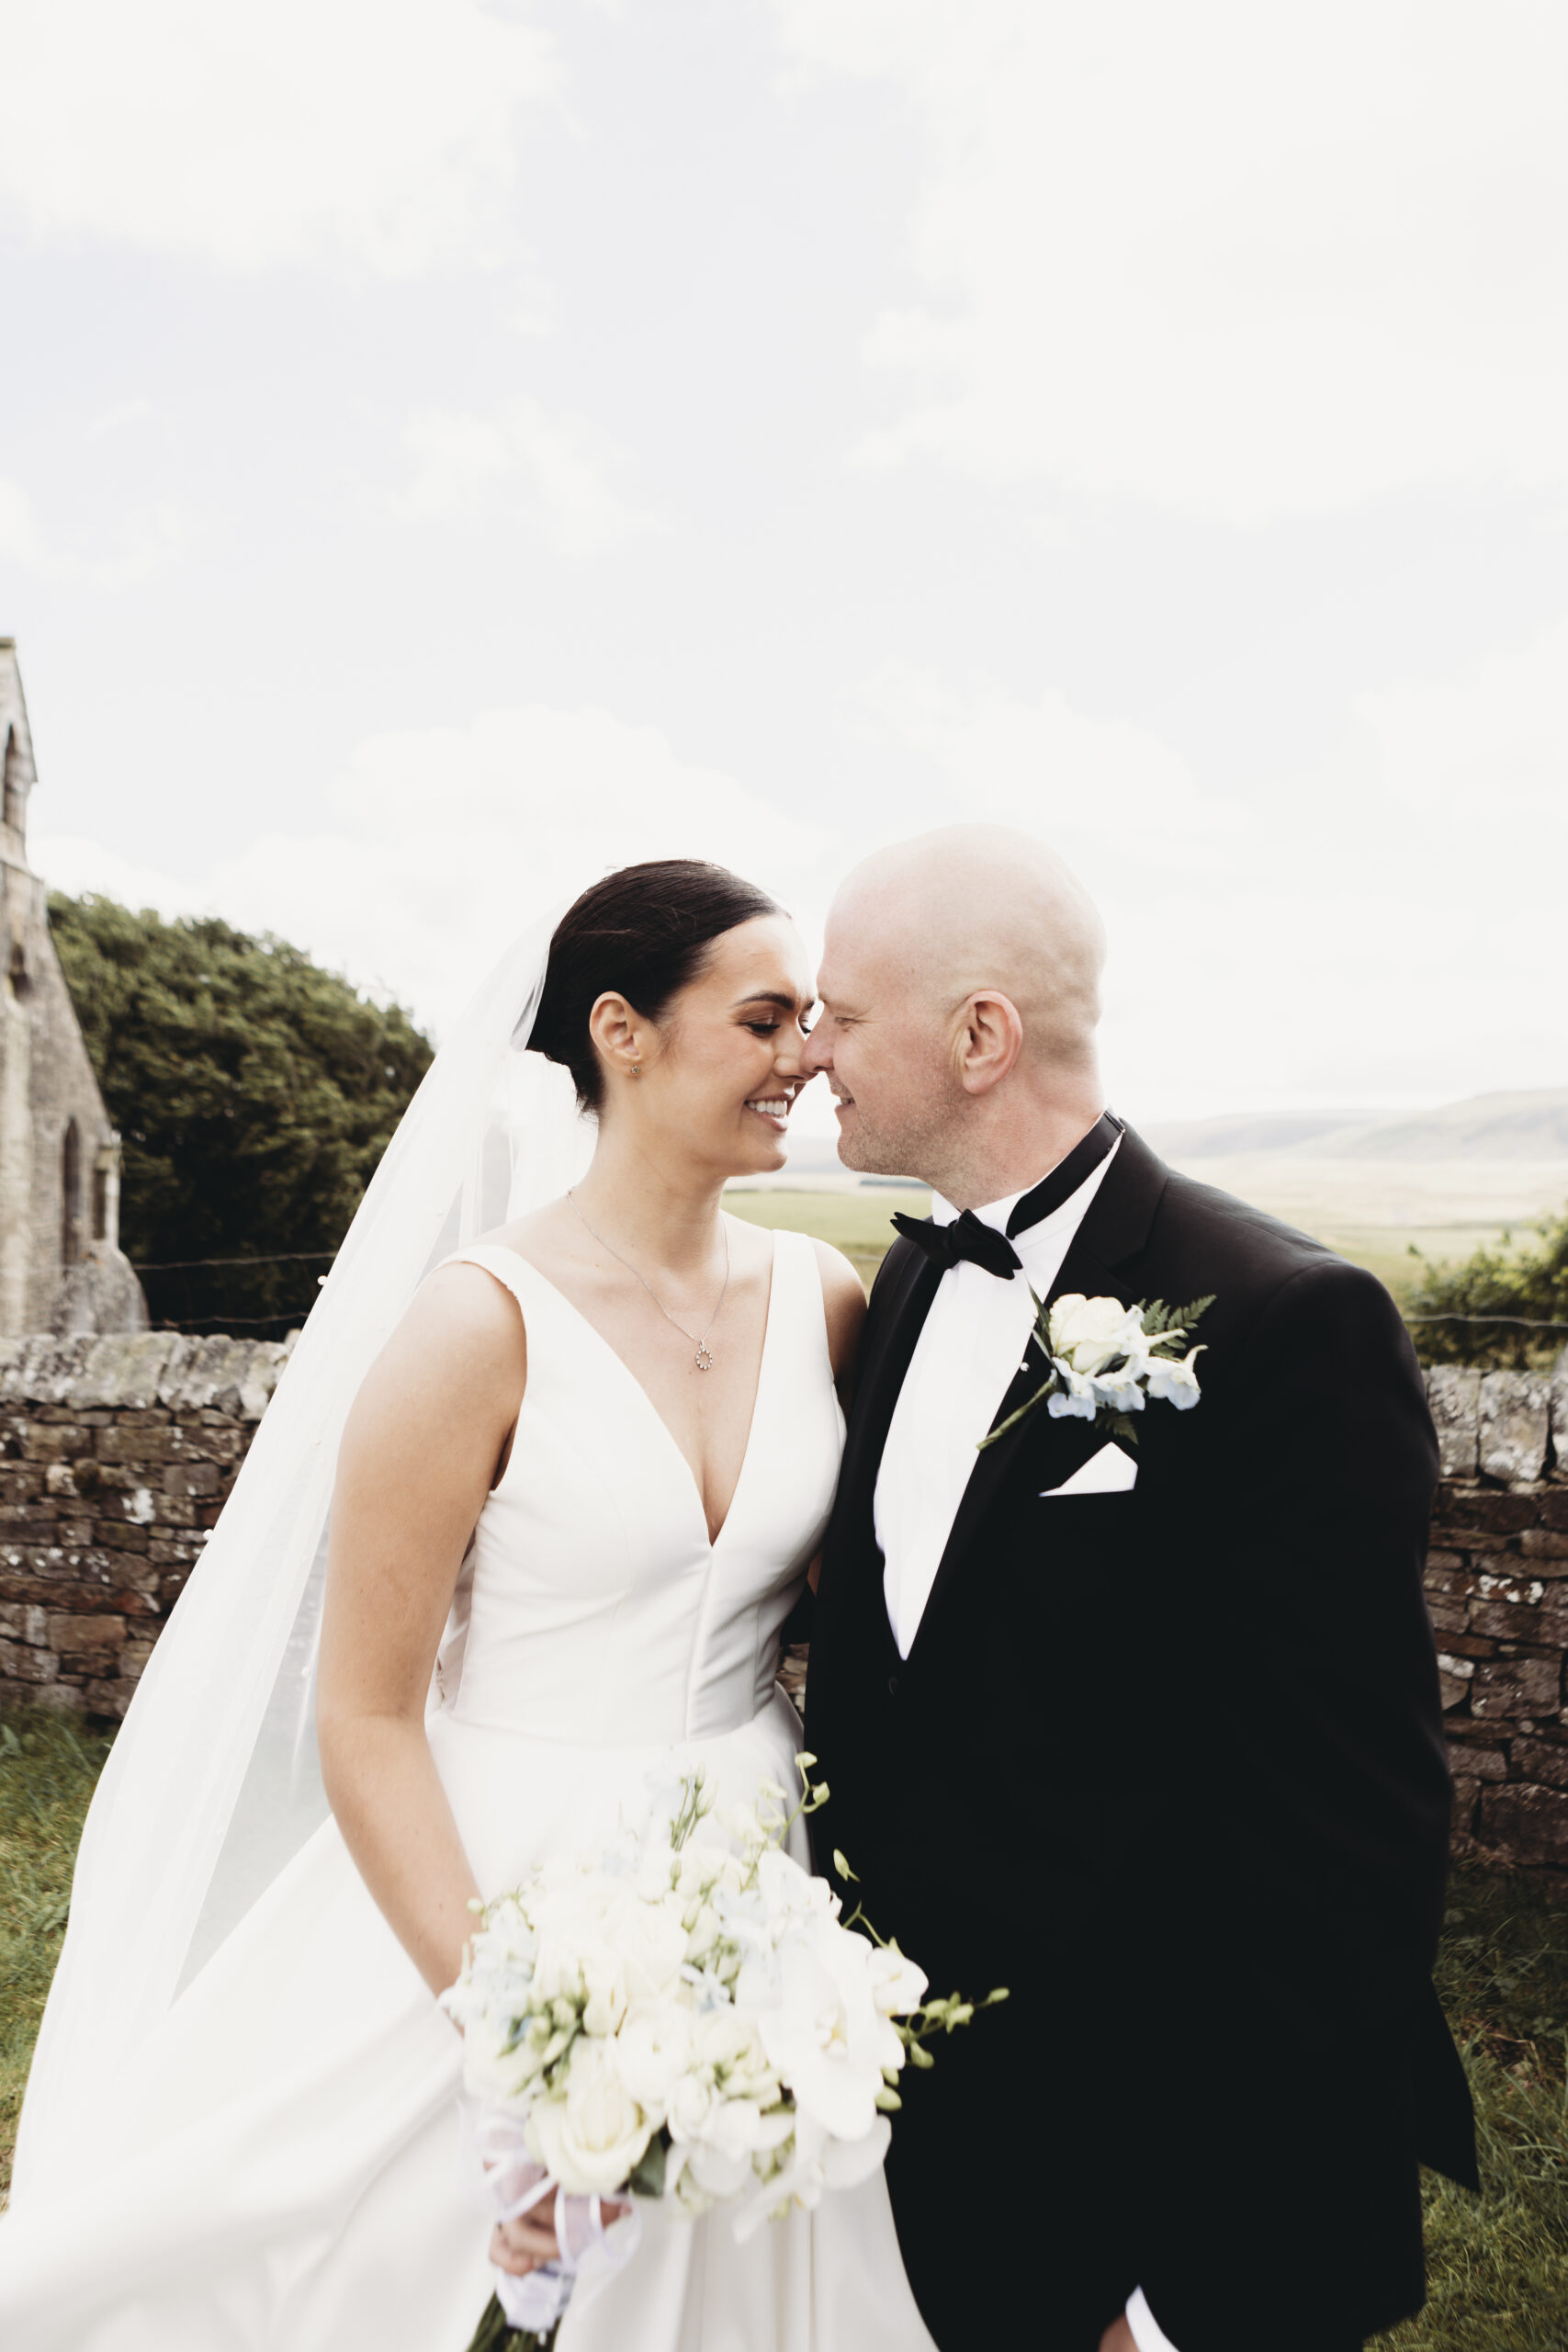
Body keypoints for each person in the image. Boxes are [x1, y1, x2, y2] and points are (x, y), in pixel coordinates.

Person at [0, 860, 937, 2351]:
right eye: (766, 1019)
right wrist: (515, 2025)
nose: (807, 1056)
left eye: (810, 1021)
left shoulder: (827, 1299)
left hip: (752, 1869)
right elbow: (364, 1713)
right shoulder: (475, 1327)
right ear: (622, 1032)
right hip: (496, 1870)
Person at [801, 825, 1478, 2352]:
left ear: (980, 1037)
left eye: (843, 1012)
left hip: (1170, 2188)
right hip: (923, 2143)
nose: (814, 1048)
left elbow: (1346, 1845)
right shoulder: (907, 1284)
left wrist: (1178, 2287)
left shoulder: (1288, 1324)